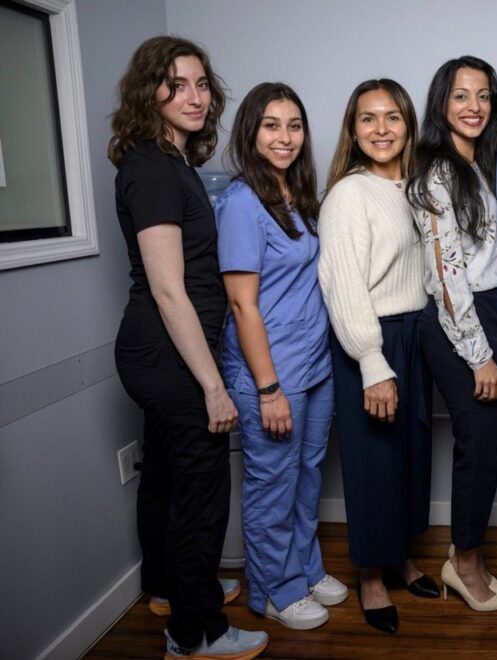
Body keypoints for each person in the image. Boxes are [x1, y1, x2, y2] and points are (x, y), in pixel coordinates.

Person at [108, 36, 268, 659]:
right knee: (201, 491)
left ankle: (170, 590)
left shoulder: (170, 162)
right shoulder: (151, 167)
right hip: (169, 353)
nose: (195, 97)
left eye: (202, 84)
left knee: (169, 480)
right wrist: (213, 385)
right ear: (151, 92)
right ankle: (195, 635)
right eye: (177, 84)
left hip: (158, 352)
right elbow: (170, 290)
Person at [216, 82, 348, 631]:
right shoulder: (243, 202)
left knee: (306, 476)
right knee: (272, 484)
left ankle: (304, 568)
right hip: (271, 372)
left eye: (294, 125)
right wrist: (268, 388)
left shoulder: (297, 195)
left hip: (314, 365)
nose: (285, 137)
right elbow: (243, 305)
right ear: (250, 131)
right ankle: (273, 590)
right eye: (272, 125)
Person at [317, 79, 438, 634]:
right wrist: (372, 361)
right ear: (353, 129)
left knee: (409, 456)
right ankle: (369, 573)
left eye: (393, 117)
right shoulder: (349, 194)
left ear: (409, 124)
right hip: (371, 337)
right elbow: (343, 286)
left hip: (415, 333)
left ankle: (400, 558)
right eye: (368, 118)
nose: (382, 129)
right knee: (372, 462)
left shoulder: (416, 189)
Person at [406, 57, 497, 612]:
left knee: (487, 444)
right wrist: (480, 356)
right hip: (460, 322)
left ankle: (466, 552)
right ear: (440, 106)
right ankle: (463, 564)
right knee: (480, 446)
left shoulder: (482, 166)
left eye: (482, 96)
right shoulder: (435, 172)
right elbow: (448, 279)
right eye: (459, 96)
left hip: (496, 313)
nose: (473, 107)